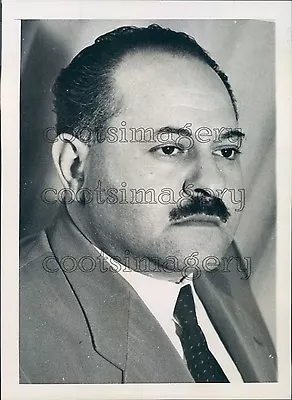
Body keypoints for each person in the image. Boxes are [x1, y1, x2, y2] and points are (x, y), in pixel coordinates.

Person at [19, 24, 277, 384]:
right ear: (74, 166)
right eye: (170, 148)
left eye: (226, 151)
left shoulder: (217, 256)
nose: (214, 182)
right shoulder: (16, 339)